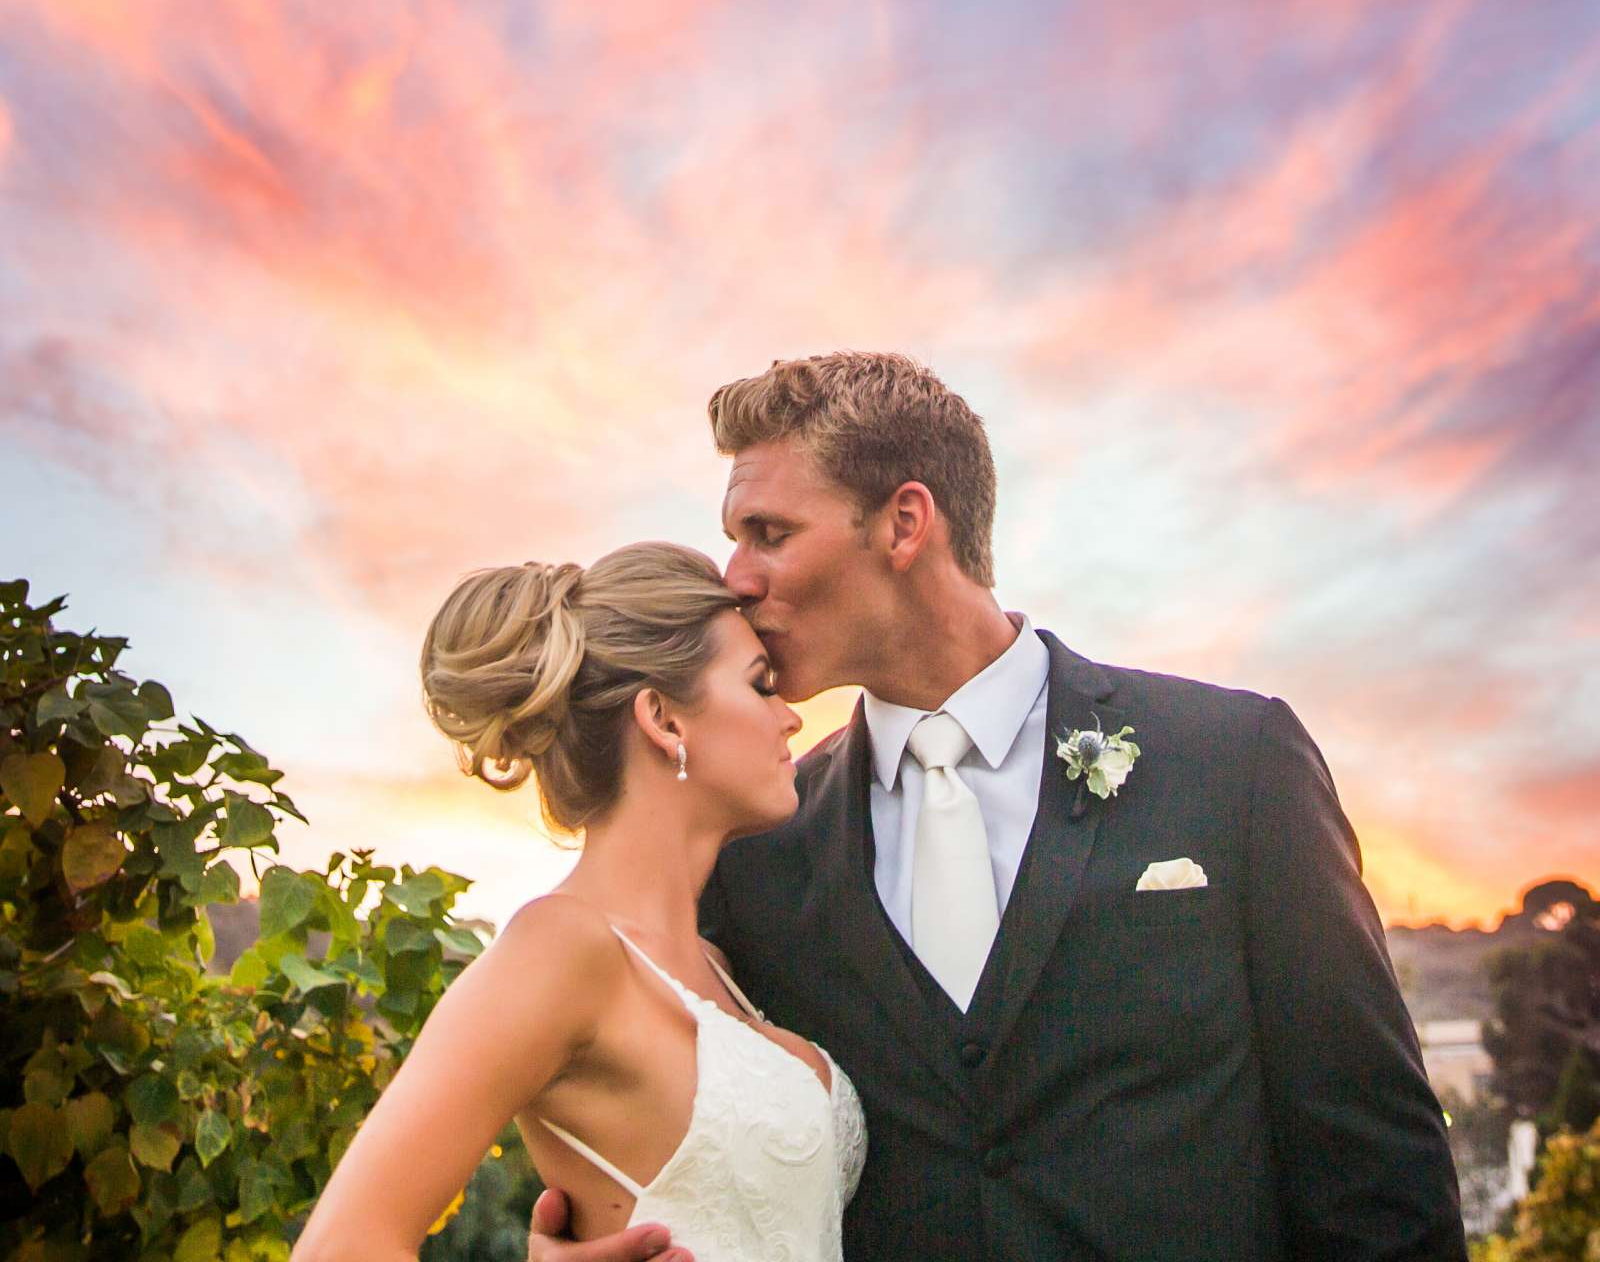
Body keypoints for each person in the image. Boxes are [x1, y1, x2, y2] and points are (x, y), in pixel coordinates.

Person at [528, 351, 1466, 1262]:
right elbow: (665, 1125)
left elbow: (1375, 1165)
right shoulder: (751, 848)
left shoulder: (1235, 763)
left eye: (769, 533)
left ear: (904, 525)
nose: (734, 576)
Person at [295, 541, 866, 1262]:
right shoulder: (562, 946)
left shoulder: (720, 961)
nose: (789, 717)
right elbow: (341, 1247)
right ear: (663, 718)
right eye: (758, 685)